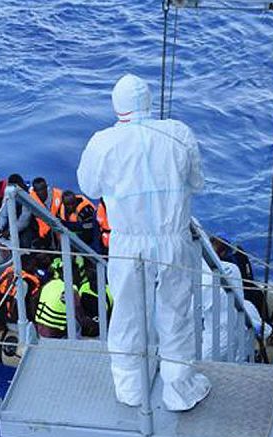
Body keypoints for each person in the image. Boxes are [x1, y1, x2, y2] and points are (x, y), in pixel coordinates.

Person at [77, 74, 210, 411]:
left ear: (116, 105)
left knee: (127, 313)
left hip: (127, 242)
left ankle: (130, 387)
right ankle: (179, 391)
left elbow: (89, 187)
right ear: (149, 101)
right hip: (173, 238)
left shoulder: (103, 142)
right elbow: (197, 183)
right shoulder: (179, 134)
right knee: (176, 311)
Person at [34, 261, 97, 339]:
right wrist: (96, 325)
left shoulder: (50, 284)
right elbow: (81, 318)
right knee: (77, 323)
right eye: (77, 273)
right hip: (55, 333)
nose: (79, 277)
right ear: (72, 275)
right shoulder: (71, 290)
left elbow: (35, 300)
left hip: (40, 328)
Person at [0, 254, 42, 323]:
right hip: (13, 316)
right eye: (33, 265)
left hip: (2, 309)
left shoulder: (9, 271)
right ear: (26, 265)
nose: (35, 268)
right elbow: (16, 305)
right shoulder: (25, 283)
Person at [0, 174, 35, 248]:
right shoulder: (9, 191)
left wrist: (10, 231)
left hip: (28, 224)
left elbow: (25, 219)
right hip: (14, 221)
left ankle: (27, 254)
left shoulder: (29, 194)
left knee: (25, 241)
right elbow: (3, 212)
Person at [28, 177, 63, 248]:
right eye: (39, 190)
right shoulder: (30, 199)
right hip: (41, 236)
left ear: (47, 187)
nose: (42, 192)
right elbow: (26, 218)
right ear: (35, 190)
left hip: (59, 233)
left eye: (44, 188)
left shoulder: (59, 195)